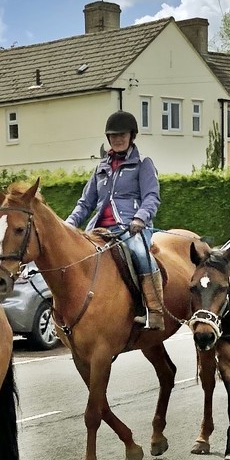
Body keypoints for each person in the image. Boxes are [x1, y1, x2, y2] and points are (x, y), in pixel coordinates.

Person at [64, 110, 165, 330]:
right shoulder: (101, 168)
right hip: (99, 229)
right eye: (113, 136)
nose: (118, 139)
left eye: (122, 135)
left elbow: (151, 196)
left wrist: (140, 218)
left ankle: (154, 310)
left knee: (139, 252)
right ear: (108, 138)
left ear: (131, 137)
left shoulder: (143, 164)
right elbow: (85, 203)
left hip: (131, 227)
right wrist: (68, 225)